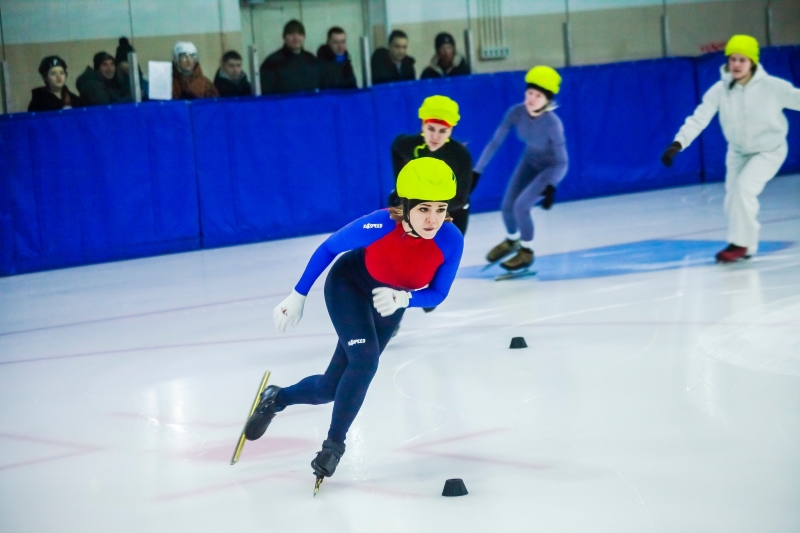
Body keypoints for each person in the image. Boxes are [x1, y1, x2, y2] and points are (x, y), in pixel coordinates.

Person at [243, 158, 463, 492]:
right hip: (349, 285)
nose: (433, 218)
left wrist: (405, 300)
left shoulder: (450, 239)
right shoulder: (381, 224)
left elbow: (438, 293)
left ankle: (277, 398)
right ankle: (334, 446)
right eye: (423, 209)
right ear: (405, 207)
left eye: (440, 208)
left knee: (331, 387)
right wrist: (297, 294)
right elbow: (330, 247)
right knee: (365, 361)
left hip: (390, 302)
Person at [661, 35, 800, 263]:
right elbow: (699, 118)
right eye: (732, 59)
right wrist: (678, 144)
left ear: (752, 63)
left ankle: (741, 245)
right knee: (733, 197)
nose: (736, 64)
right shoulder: (720, 90)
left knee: (744, 189)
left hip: (769, 150)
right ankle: (742, 245)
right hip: (738, 152)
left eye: (742, 60)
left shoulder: (773, 87)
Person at [475, 66, 568, 272]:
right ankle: (512, 241)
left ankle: (527, 252)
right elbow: (494, 142)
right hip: (529, 161)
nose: (531, 99)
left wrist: (552, 186)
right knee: (507, 206)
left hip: (549, 168)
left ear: (547, 100)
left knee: (521, 207)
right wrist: (477, 171)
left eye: (537, 95)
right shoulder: (516, 112)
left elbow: (562, 162)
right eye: (529, 93)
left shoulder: (553, 124)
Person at [389, 96, 473, 236]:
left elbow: (460, 198)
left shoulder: (460, 156)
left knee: (444, 256)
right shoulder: (409, 145)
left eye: (442, 131)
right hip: (418, 210)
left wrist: (427, 209)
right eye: (431, 129)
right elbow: (396, 148)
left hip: (453, 212)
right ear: (423, 125)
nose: (435, 137)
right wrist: (401, 186)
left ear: (451, 130)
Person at [260, 19, 320, 95]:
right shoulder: (272, 62)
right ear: (284, 37)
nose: (296, 38)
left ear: (304, 37)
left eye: (299, 34)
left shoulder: (311, 59)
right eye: (291, 34)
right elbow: (267, 92)